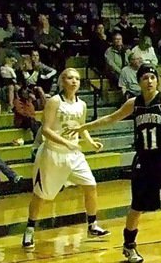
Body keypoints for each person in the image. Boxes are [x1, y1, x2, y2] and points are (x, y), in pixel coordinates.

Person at [71, 64, 161, 263]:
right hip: (143, 159)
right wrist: (85, 127)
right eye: (145, 78)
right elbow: (111, 118)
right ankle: (129, 245)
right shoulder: (134, 103)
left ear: (158, 80)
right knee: (136, 206)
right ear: (139, 82)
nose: (149, 81)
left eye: (152, 77)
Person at [22, 68, 110, 249]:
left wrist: (91, 143)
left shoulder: (82, 104)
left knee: (91, 185)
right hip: (53, 153)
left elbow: (81, 127)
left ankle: (92, 225)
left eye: (77, 78)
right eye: (70, 78)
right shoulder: (54, 101)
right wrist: (66, 143)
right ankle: (29, 229)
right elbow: (45, 129)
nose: (74, 81)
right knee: (41, 195)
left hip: (74, 154)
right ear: (62, 81)